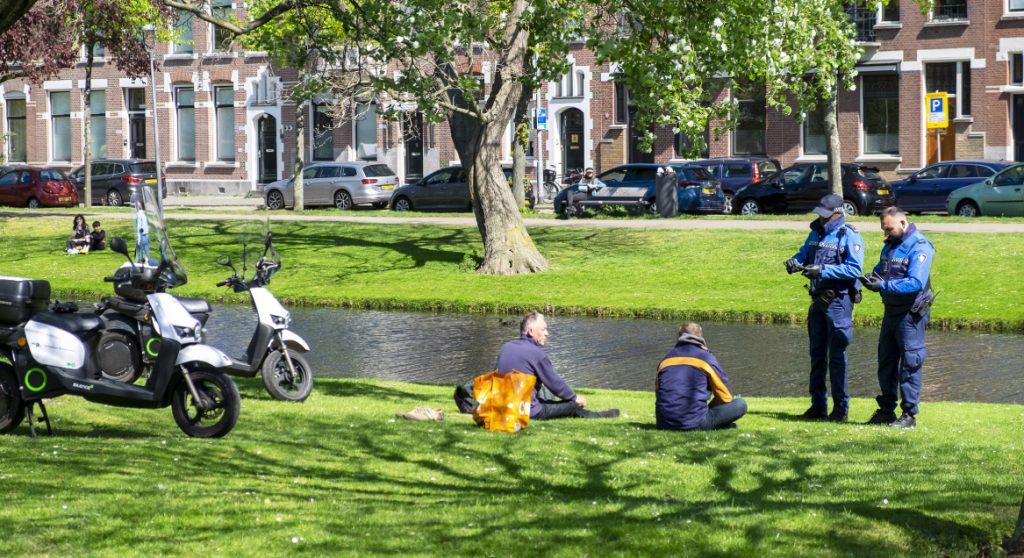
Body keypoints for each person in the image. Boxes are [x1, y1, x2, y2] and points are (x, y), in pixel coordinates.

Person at [784, 194, 864, 422]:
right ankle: (817, 406)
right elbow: (804, 253)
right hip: (817, 301)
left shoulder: (848, 234)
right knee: (816, 355)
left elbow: (854, 270)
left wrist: (823, 271)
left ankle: (840, 411)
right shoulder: (815, 232)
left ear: (839, 213)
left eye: (826, 215)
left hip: (839, 302)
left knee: (837, 357)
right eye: (820, 214)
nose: (821, 219)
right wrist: (794, 262)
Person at [860, 206, 935, 429]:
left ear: (903, 223)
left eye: (889, 229)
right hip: (891, 312)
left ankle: (909, 415)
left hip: (910, 314)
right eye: (884, 229)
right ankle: (886, 410)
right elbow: (879, 270)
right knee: (886, 361)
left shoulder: (920, 246)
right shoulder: (890, 246)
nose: (886, 233)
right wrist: (865, 280)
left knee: (910, 363)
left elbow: (915, 283)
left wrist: (882, 285)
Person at [495, 311, 619, 419]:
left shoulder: (506, 347)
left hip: (502, 407)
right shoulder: (537, 354)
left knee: (546, 397)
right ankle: (600, 416)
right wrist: (574, 398)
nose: (547, 333)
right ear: (531, 331)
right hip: (526, 411)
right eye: (543, 329)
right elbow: (555, 383)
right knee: (571, 406)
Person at [656, 323, 747, 431]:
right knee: (740, 404)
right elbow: (726, 397)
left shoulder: (665, 360)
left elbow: (659, 394)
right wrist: (709, 408)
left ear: (679, 337)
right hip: (694, 424)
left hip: (663, 423)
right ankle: (718, 424)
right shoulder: (706, 358)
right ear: (701, 337)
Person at [134, 195, 149, 263]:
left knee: (139, 254)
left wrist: (138, 239)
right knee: (147, 252)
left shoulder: (139, 215)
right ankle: (147, 262)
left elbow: (139, 227)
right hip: (146, 236)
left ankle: (139, 264)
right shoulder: (145, 214)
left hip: (142, 236)